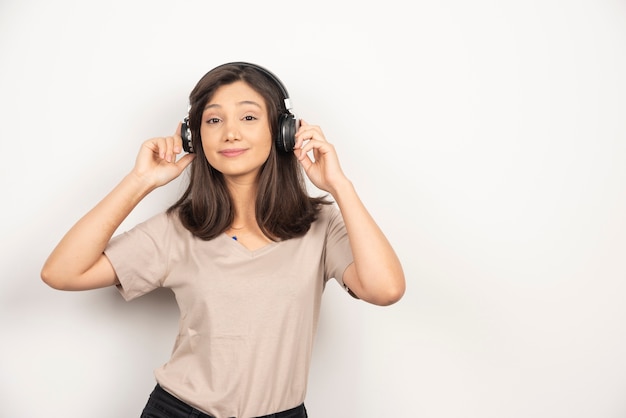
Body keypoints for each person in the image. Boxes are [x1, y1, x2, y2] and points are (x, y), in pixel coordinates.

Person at [41, 62, 405, 418]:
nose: (230, 133)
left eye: (248, 117)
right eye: (214, 120)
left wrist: (340, 186)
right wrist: (140, 181)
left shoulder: (320, 225)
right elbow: (62, 273)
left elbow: (385, 290)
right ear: (193, 136)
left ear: (284, 131)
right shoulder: (178, 229)